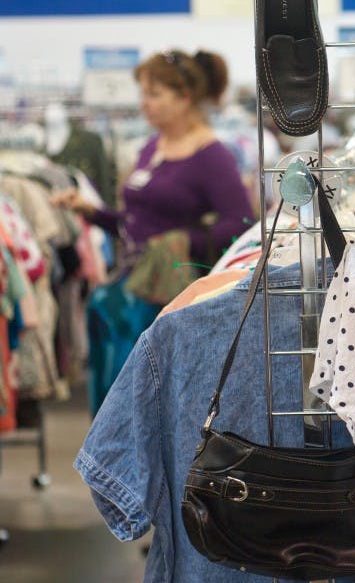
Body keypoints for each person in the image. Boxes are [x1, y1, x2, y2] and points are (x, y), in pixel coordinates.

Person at [52, 49, 254, 412]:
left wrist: (182, 242)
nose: (144, 104)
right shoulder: (151, 147)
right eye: (143, 93)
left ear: (185, 97)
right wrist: (91, 211)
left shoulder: (211, 155)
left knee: (144, 400)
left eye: (154, 94)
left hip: (165, 299)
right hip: (127, 288)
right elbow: (134, 225)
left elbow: (240, 223)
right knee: (115, 393)